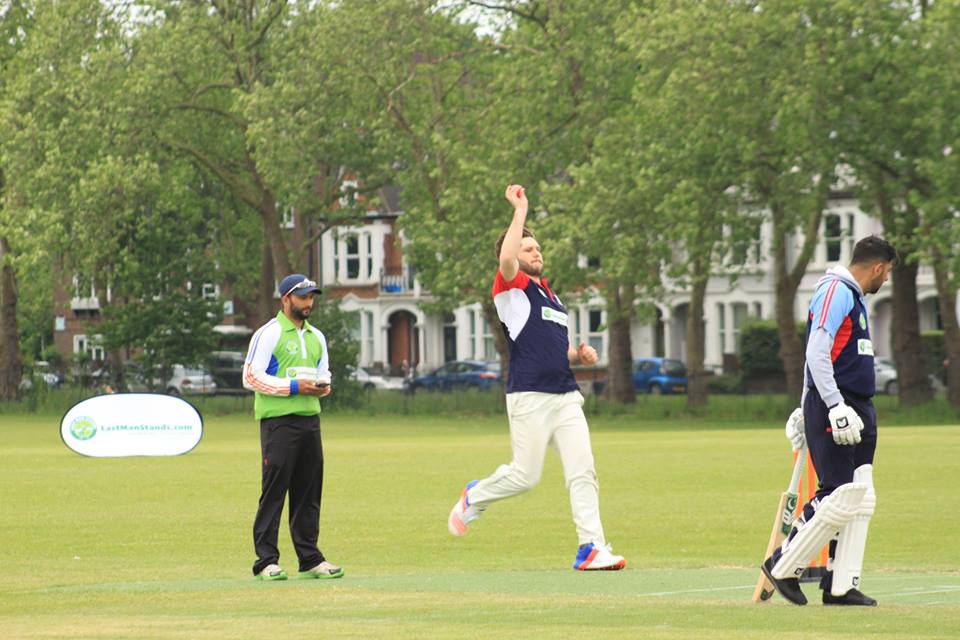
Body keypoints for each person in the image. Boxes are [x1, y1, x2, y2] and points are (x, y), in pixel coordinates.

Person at [446, 184, 626, 571]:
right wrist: (520, 210)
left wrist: (577, 356)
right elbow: (507, 257)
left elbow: (553, 348)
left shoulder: (552, 297)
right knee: (526, 477)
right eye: (528, 248)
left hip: (565, 395)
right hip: (529, 395)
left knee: (583, 469)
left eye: (538, 248)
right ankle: (475, 495)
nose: (536, 252)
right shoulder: (511, 286)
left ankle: (590, 548)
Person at [765, 236, 898, 606]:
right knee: (837, 493)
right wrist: (830, 405)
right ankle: (781, 565)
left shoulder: (854, 296)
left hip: (859, 405)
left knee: (861, 496)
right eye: (887, 272)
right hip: (836, 405)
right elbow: (816, 351)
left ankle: (840, 585)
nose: (886, 279)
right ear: (877, 267)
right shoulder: (835, 290)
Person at [242, 273, 343, 581]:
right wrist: (295, 387)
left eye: (311, 297)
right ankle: (266, 561)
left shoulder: (316, 336)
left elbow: (323, 372)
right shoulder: (268, 333)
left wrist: (323, 385)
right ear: (286, 299)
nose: (308, 303)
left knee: (309, 491)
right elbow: (251, 377)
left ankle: (310, 559)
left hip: (310, 421)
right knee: (274, 491)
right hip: (278, 422)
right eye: (302, 297)